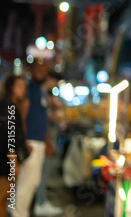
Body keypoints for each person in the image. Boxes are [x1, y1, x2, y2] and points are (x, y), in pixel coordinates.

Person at [11, 60, 60, 217]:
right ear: (31, 71)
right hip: (30, 141)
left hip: (38, 141)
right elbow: (22, 116)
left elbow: (42, 118)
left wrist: (46, 141)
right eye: (38, 70)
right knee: (27, 182)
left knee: (33, 182)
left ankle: (20, 211)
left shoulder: (40, 90)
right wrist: (23, 141)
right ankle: (19, 213)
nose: (42, 73)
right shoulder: (30, 89)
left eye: (44, 70)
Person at [34, 70, 63, 216]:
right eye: (55, 82)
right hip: (42, 140)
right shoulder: (40, 93)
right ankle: (40, 203)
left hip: (44, 139)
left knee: (41, 173)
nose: (56, 85)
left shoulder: (46, 94)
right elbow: (42, 120)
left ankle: (41, 201)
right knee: (40, 174)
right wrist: (48, 142)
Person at [0, 74, 30, 217]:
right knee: (2, 198)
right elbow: (9, 139)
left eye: (24, 87)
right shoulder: (8, 108)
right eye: (19, 86)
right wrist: (14, 164)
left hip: (5, 163)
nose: (22, 90)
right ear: (10, 88)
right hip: (4, 164)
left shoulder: (9, 106)